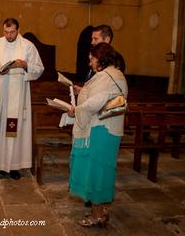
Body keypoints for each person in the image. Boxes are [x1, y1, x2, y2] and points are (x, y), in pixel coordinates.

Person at [66, 42, 128, 228]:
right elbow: (104, 99)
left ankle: (97, 215)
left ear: (101, 58)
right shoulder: (116, 74)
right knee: (100, 170)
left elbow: (95, 104)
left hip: (100, 130)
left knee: (95, 171)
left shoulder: (105, 76)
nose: (90, 63)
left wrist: (74, 110)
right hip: (107, 129)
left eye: (92, 59)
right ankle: (98, 210)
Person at [0, 18, 44, 180]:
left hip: (18, 94)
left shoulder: (28, 46)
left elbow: (39, 68)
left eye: (12, 32)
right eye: (6, 32)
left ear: (18, 29)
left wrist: (24, 64)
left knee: (13, 129)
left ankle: (14, 167)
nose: (9, 35)